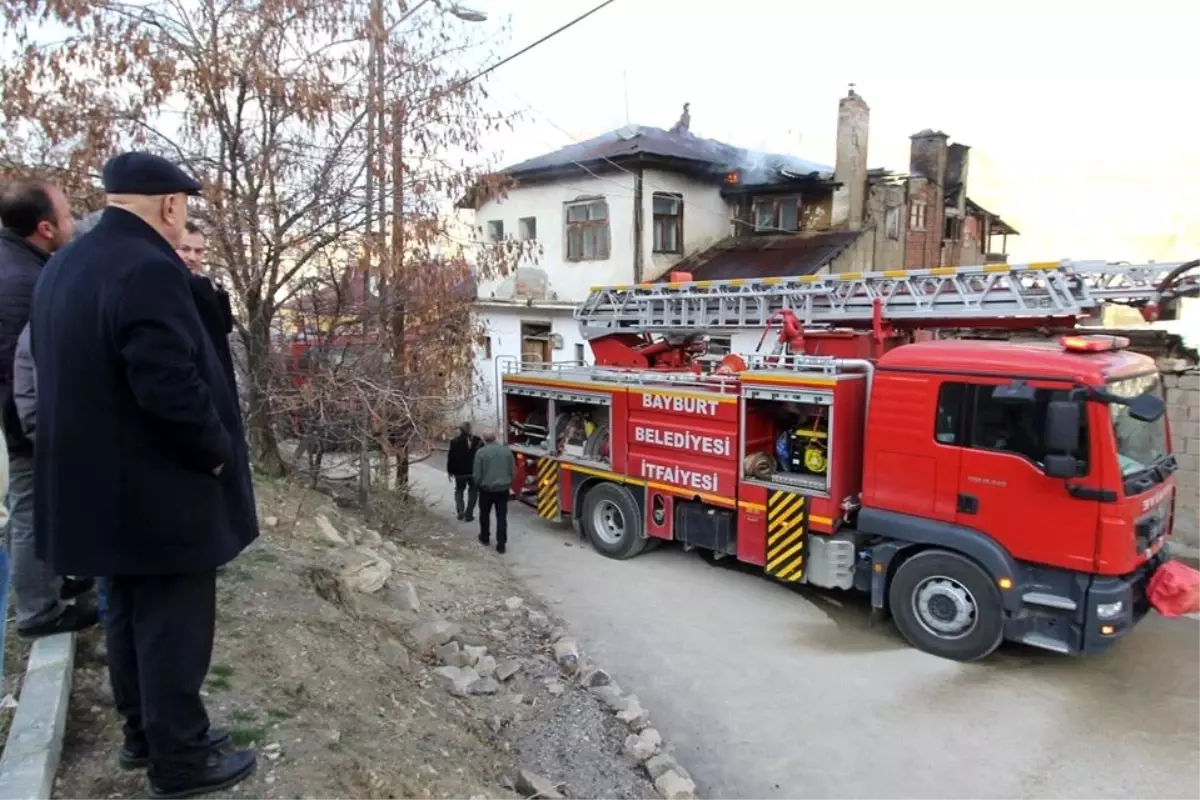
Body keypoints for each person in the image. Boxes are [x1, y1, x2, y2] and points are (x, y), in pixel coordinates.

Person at [30, 151, 258, 797]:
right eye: (184, 206)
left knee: (129, 616)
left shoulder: (67, 264)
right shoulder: (148, 268)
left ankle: (144, 736)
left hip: (99, 487)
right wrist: (216, 452)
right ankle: (180, 762)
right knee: (174, 630)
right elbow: (169, 387)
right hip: (158, 492)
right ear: (169, 205)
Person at [0, 178, 98, 638]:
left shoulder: (18, 266)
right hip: (25, 425)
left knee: (36, 506)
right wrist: (38, 426)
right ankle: (38, 610)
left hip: (23, 420)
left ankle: (53, 582)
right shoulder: (25, 281)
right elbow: (23, 365)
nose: (71, 221)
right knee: (29, 510)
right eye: (66, 215)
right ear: (43, 227)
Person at [472, 429, 515, 554]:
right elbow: (513, 471)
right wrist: (508, 482)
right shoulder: (506, 451)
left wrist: (477, 484)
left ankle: (485, 537)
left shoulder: (480, 453)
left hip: (486, 490)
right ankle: (501, 544)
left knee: (484, 514)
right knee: (501, 517)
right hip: (502, 490)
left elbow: (477, 474)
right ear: (495, 437)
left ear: (484, 439)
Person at [446, 421, 482, 521]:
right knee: (473, 491)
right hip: (473, 472)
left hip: (459, 472)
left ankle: (460, 510)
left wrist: (450, 471)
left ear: (460, 430)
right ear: (470, 429)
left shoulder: (454, 441)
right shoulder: (478, 441)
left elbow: (451, 458)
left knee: (459, 490)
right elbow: (482, 456)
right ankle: (469, 513)